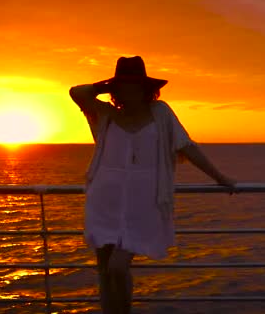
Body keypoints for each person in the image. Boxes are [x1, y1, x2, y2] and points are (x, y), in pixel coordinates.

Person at [69, 56, 237, 313]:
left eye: (134, 85)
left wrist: (220, 177)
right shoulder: (105, 114)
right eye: (122, 86)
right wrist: (106, 85)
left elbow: (186, 146)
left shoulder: (161, 113)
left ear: (146, 88)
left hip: (144, 203)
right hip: (105, 201)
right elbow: (76, 92)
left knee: (118, 267)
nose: (128, 90)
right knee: (104, 269)